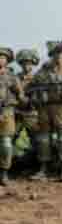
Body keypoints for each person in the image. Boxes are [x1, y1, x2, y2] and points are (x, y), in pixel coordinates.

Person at [30, 41, 62, 181]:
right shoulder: (43, 70)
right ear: (51, 55)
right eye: (56, 53)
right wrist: (38, 94)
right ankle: (43, 169)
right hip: (45, 108)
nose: (59, 56)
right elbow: (32, 87)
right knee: (44, 140)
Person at [0, 47, 23, 185]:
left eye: (3, 58)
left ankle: (4, 173)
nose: (0, 60)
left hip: (7, 111)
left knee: (6, 144)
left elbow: (20, 95)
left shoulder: (12, 77)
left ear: (7, 61)